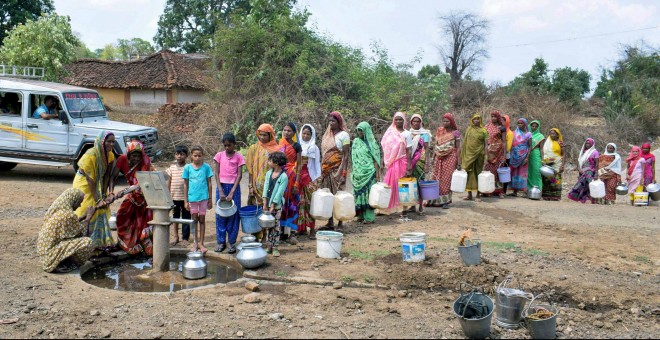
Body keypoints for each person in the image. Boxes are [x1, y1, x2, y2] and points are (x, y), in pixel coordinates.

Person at [72, 130, 116, 251]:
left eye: (113, 142)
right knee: (86, 207)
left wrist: (104, 194)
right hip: (84, 183)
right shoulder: (91, 155)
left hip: (98, 183)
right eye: (108, 141)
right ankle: (82, 243)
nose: (111, 144)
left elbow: (107, 175)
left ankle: (99, 244)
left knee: (101, 209)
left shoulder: (110, 155)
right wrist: (97, 200)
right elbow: (90, 179)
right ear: (102, 142)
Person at [111, 140, 155, 256]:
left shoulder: (146, 162)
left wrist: (124, 191)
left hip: (145, 196)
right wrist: (111, 192)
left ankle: (144, 245)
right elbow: (113, 176)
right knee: (121, 216)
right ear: (128, 154)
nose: (136, 159)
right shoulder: (122, 159)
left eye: (138, 156)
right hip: (132, 195)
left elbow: (143, 183)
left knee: (142, 221)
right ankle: (126, 244)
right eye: (133, 156)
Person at [37, 188, 94, 273]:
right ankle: (66, 264)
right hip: (50, 257)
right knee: (87, 242)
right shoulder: (68, 214)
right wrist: (88, 218)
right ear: (74, 200)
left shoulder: (59, 210)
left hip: (45, 255)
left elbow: (71, 226)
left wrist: (83, 216)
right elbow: (82, 234)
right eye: (79, 202)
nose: (80, 206)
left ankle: (62, 261)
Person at [213, 133, 245, 254]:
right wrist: (220, 190)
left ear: (234, 144)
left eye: (229, 145)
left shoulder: (239, 157)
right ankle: (221, 242)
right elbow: (216, 173)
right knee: (220, 214)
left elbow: (240, 175)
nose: (227, 148)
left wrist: (232, 191)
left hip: (234, 188)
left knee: (233, 214)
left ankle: (231, 242)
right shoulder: (219, 156)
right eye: (225, 145)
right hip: (221, 186)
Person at [320, 112, 351, 230]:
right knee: (328, 195)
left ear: (339, 122)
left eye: (333, 121)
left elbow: (346, 155)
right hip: (326, 169)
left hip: (337, 169)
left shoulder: (344, 135)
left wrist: (343, 172)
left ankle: (340, 222)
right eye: (330, 121)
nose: (331, 123)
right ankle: (330, 222)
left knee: (339, 196)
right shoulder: (327, 135)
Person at [381, 111, 413, 220]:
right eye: (397, 119)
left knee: (403, 185)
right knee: (390, 184)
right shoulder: (390, 132)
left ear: (404, 121)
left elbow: (409, 150)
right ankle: (387, 207)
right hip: (392, 162)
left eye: (401, 119)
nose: (398, 121)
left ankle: (404, 210)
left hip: (402, 161)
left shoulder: (407, 134)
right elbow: (385, 146)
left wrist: (409, 165)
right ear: (394, 120)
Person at [183, 146, 214, 253]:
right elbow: (185, 184)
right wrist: (185, 200)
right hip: (192, 198)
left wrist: (210, 198)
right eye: (195, 155)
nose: (197, 158)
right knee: (194, 220)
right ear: (191, 156)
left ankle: (202, 243)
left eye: (199, 156)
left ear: (203, 156)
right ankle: (195, 242)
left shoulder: (206, 167)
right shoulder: (187, 168)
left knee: (202, 220)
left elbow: (209, 183)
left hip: (204, 198)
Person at [351, 122, 381, 224]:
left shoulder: (373, 144)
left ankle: (369, 217)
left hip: (370, 172)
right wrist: (355, 171)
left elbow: (376, 160)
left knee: (369, 195)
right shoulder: (356, 142)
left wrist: (377, 175)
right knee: (360, 195)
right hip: (358, 173)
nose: (360, 132)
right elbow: (354, 158)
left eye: (362, 130)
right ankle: (360, 215)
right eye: (358, 130)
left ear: (366, 131)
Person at [430, 113, 461, 208]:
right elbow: (437, 144)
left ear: (451, 122)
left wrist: (459, 161)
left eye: (447, 121)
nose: (445, 123)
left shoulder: (456, 132)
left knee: (447, 179)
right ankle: (435, 200)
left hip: (450, 157)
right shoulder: (439, 130)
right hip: (439, 157)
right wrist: (433, 157)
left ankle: (445, 201)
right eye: (443, 121)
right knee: (437, 178)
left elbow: (458, 147)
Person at [246, 124, 281, 207]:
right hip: (256, 187)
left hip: (270, 185)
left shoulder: (276, 150)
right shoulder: (253, 148)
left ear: (270, 135)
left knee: (269, 210)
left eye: (264, 135)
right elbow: (250, 169)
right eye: (260, 135)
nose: (262, 137)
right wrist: (250, 186)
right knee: (256, 211)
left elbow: (278, 169)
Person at [279, 122, 302, 244]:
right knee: (281, 204)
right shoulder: (279, 144)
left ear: (294, 133)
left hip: (292, 177)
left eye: (289, 131)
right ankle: (282, 232)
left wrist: (297, 182)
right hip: (280, 177)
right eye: (284, 130)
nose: (286, 132)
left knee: (292, 204)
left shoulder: (297, 146)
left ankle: (292, 233)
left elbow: (299, 166)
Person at [262, 152, 289, 257]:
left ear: (276, 162)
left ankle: (275, 247)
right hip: (267, 204)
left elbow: (279, 192)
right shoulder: (269, 173)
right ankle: (269, 246)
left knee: (276, 226)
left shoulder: (284, 177)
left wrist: (273, 205)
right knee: (268, 226)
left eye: (270, 160)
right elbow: (265, 187)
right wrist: (265, 202)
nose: (268, 162)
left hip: (276, 206)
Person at [297, 124, 321, 238]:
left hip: (310, 177)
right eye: (304, 133)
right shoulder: (297, 146)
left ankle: (312, 229)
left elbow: (316, 165)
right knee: (299, 203)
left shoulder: (314, 148)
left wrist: (317, 179)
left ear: (312, 135)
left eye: (308, 134)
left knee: (310, 204)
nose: (305, 136)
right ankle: (301, 229)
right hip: (298, 177)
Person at [166, 145, 191, 246]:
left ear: (186, 156)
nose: (179, 156)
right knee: (175, 218)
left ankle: (185, 238)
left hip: (186, 198)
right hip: (174, 198)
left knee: (186, 218)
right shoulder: (171, 168)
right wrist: (168, 196)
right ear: (175, 155)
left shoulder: (189, 167)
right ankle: (176, 237)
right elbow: (168, 182)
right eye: (177, 154)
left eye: (182, 154)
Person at [409, 114, 432, 213]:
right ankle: (412, 205)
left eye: (418, 121)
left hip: (420, 161)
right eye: (414, 121)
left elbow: (426, 149)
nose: (416, 123)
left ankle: (421, 206)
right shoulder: (408, 133)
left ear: (421, 122)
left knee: (420, 183)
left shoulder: (425, 133)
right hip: (411, 160)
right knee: (411, 183)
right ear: (411, 122)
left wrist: (427, 163)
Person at [461, 113, 487, 202]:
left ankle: (478, 195)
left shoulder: (484, 131)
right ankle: (469, 194)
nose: (476, 121)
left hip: (479, 154)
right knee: (468, 173)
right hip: (468, 155)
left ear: (480, 120)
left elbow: (486, 144)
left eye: (478, 119)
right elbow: (465, 143)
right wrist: (463, 155)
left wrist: (486, 155)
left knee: (478, 174)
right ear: (472, 120)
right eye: (474, 119)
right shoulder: (469, 129)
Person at [568, 138, 600, 204]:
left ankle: (593, 199)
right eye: (586, 143)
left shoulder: (595, 152)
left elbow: (597, 164)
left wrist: (596, 173)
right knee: (583, 185)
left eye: (589, 143)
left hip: (590, 171)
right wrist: (579, 169)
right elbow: (579, 162)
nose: (587, 144)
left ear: (592, 144)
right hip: (582, 171)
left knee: (590, 184)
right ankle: (583, 198)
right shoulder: (583, 152)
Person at [483, 111, 507, 198]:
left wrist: (504, 154)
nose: (493, 118)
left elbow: (504, 142)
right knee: (488, 171)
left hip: (499, 153)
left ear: (498, 117)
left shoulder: (502, 128)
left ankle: (499, 191)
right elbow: (484, 141)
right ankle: (488, 190)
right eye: (492, 116)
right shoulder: (486, 127)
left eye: (495, 116)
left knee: (498, 171)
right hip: (489, 152)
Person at [508, 118, 532, 197]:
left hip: (524, 155)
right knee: (514, 173)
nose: (519, 125)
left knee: (522, 173)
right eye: (518, 123)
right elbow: (511, 144)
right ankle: (514, 191)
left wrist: (527, 158)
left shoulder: (528, 134)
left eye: (521, 123)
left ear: (525, 124)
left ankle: (524, 191)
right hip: (514, 156)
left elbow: (530, 146)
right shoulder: (514, 133)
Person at [541, 128, 565, 201]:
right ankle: (546, 195)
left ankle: (555, 196)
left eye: (553, 133)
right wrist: (544, 160)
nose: (552, 135)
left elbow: (564, 154)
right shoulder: (547, 142)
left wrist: (562, 165)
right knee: (547, 179)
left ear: (557, 134)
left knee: (556, 179)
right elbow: (543, 152)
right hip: (548, 163)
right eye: (550, 133)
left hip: (557, 164)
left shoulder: (560, 143)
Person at [527, 120, 545, 192]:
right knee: (529, 173)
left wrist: (542, 159)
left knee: (536, 172)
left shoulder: (540, 136)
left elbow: (541, 149)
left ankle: (538, 190)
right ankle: (529, 190)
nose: (534, 127)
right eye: (532, 126)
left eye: (535, 126)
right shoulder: (528, 134)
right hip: (528, 155)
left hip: (536, 155)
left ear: (538, 127)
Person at [502, 114, 514, 194]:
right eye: (501, 120)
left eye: (504, 121)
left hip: (506, 156)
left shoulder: (509, 133)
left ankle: (503, 190)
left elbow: (508, 147)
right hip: (496, 155)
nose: (502, 122)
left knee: (504, 173)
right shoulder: (499, 130)